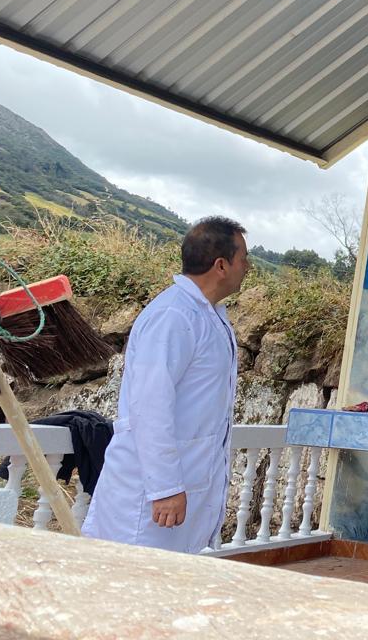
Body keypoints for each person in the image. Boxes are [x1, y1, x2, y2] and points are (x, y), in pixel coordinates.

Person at [82, 217, 247, 553]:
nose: (247, 268)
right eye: (244, 259)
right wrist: (165, 487)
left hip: (187, 486)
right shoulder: (173, 316)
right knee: (131, 575)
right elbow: (149, 407)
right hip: (148, 498)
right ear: (221, 265)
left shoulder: (209, 315)